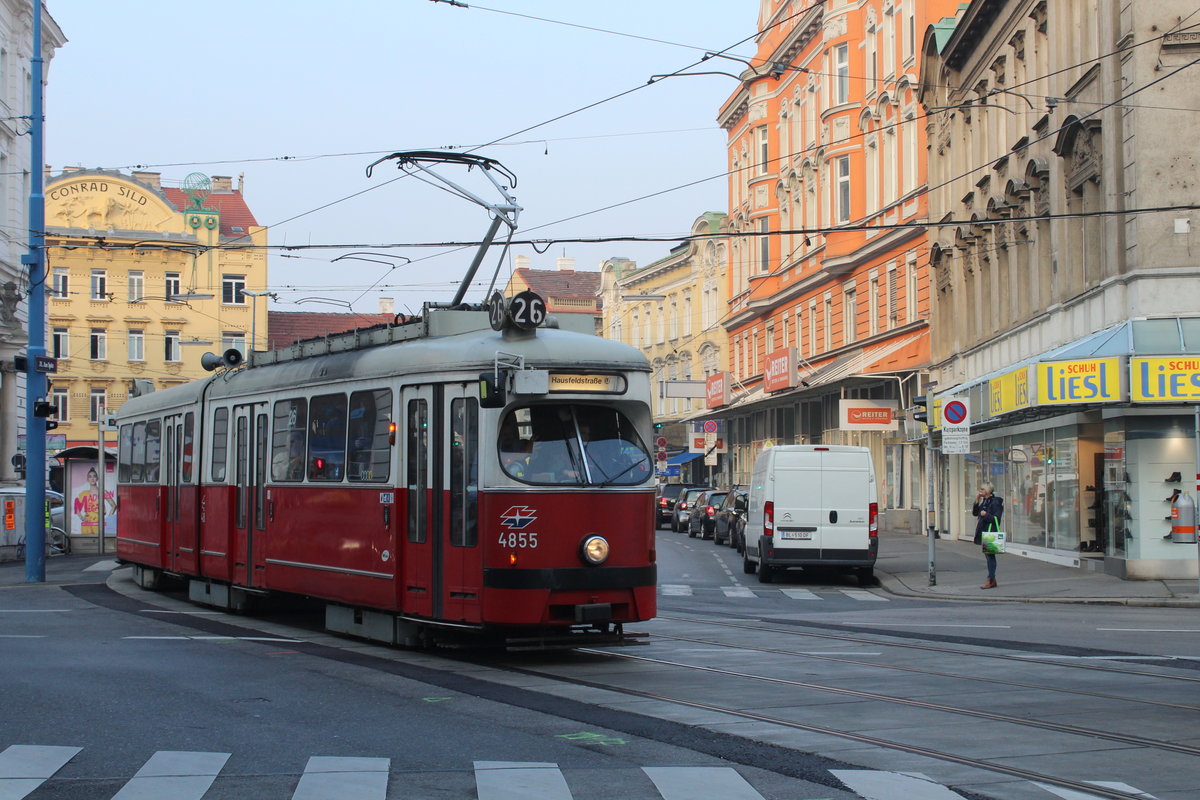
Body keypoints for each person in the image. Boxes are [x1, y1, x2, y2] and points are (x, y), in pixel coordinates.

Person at [973, 482, 1005, 589]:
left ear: (987, 490)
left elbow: (996, 518)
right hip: (984, 531)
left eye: (982, 489)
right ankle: (992, 580)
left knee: (990, 557)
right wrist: (976, 501)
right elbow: (975, 513)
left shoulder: (995, 502)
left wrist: (985, 515)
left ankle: (990, 580)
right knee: (988, 556)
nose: (980, 491)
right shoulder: (985, 501)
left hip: (991, 532)